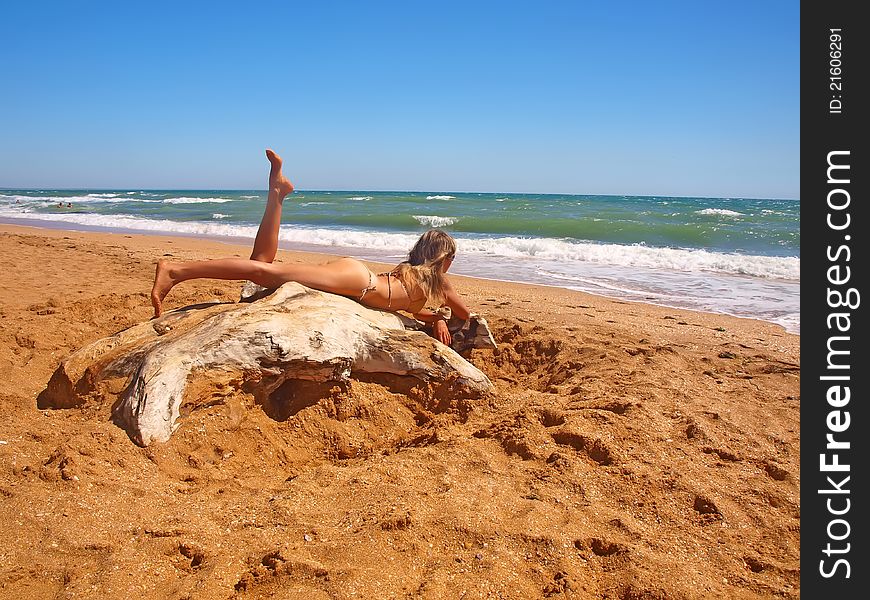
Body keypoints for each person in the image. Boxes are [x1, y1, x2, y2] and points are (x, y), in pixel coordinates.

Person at [150, 149, 471, 345]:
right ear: (445, 260)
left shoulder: (417, 280)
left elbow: (417, 309)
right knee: (265, 272)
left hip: (359, 277)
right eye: (451, 259)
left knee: (261, 265)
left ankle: (277, 193)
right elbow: (466, 316)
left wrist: (435, 318)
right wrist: (446, 316)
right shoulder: (439, 283)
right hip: (358, 282)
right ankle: (176, 270)